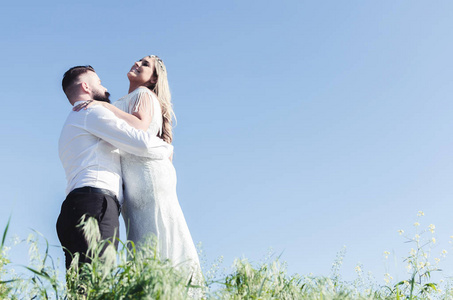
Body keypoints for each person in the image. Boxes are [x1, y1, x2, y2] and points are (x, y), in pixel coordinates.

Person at [74, 56, 202, 285]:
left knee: (153, 234)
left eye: (145, 64)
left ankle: (166, 288)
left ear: (153, 78)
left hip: (146, 177)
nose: (137, 63)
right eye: (139, 60)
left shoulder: (143, 94)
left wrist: (103, 105)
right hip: (134, 180)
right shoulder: (131, 98)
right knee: (143, 239)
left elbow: (139, 126)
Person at [57, 65, 173, 269]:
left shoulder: (72, 120)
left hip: (76, 206)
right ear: (86, 86)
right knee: (96, 281)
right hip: (95, 205)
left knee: (81, 287)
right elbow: (140, 142)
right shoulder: (91, 111)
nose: (105, 87)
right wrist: (166, 148)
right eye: (99, 83)